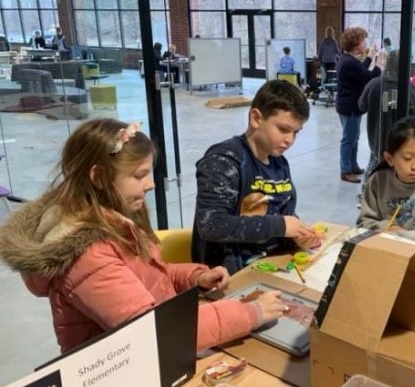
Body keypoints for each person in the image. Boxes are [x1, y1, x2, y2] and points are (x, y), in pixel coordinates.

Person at [0, 119, 287, 355]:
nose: (150, 185)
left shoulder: (112, 218)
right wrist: (251, 314)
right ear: (99, 177)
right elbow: (157, 331)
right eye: (139, 175)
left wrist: (193, 276)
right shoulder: (88, 254)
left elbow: (143, 277)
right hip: (119, 375)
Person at [192, 81, 321, 273]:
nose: (290, 140)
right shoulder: (224, 161)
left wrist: (297, 233)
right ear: (256, 118)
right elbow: (211, 225)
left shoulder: (279, 163)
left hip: (273, 264)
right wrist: (281, 226)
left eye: (296, 132)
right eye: (283, 129)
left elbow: (283, 214)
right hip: (229, 276)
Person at [359, 50, 415, 183]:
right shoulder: (408, 87)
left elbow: (361, 105)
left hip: (376, 138)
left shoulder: (375, 84)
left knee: (374, 166)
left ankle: (366, 194)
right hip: (400, 139)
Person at [335, 26, 381, 183]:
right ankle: (345, 170)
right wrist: (379, 65)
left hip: (348, 105)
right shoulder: (349, 63)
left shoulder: (347, 60)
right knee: (349, 139)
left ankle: (352, 165)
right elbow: (369, 76)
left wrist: (370, 57)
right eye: (363, 41)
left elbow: (360, 70)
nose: (365, 44)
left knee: (353, 138)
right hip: (350, 106)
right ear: (355, 44)